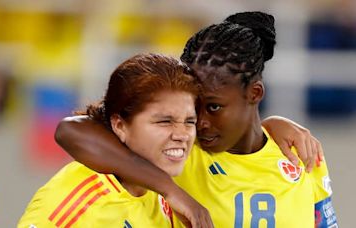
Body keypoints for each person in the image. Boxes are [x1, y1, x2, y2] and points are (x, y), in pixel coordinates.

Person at [56, 12, 337, 227]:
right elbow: (71, 131)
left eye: (213, 107)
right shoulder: (177, 149)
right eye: (194, 106)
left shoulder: (300, 153)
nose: (198, 122)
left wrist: (270, 124)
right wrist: (171, 191)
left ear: (255, 93)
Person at [18, 54, 213, 227]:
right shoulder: (79, 202)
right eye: (164, 121)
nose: (182, 134)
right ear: (119, 125)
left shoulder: (166, 198)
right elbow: (68, 129)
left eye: (189, 121)